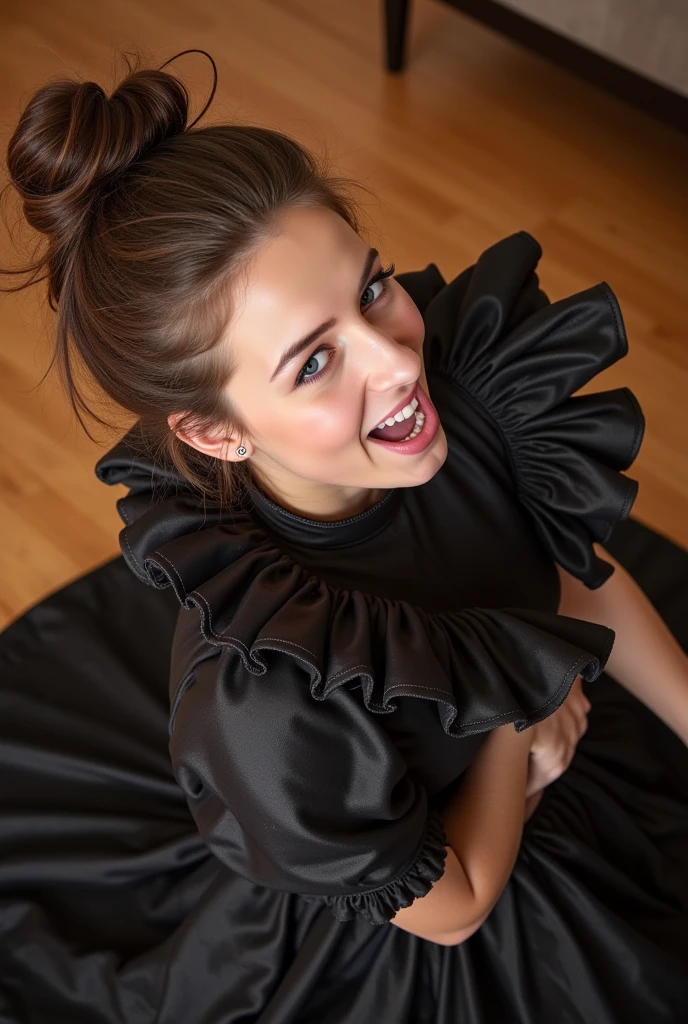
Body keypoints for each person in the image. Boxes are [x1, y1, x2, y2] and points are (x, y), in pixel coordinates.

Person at [1, 49, 687, 1024]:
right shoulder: (265, 702)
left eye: (371, 288)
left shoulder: (462, 406)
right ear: (215, 431)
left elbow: (569, 565)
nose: (398, 362)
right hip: (427, 917)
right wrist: (516, 718)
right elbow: (450, 907)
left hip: (553, 757)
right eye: (314, 360)